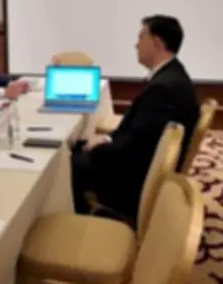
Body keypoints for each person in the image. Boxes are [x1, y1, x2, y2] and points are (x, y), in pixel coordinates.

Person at [70, 15, 199, 225]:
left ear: (157, 43)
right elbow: (140, 133)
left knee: (69, 163)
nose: (136, 44)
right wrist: (107, 139)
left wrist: (98, 149)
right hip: (141, 160)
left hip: (135, 176)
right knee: (78, 146)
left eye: (141, 38)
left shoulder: (163, 88)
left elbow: (135, 150)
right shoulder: (172, 74)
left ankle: (85, 221)